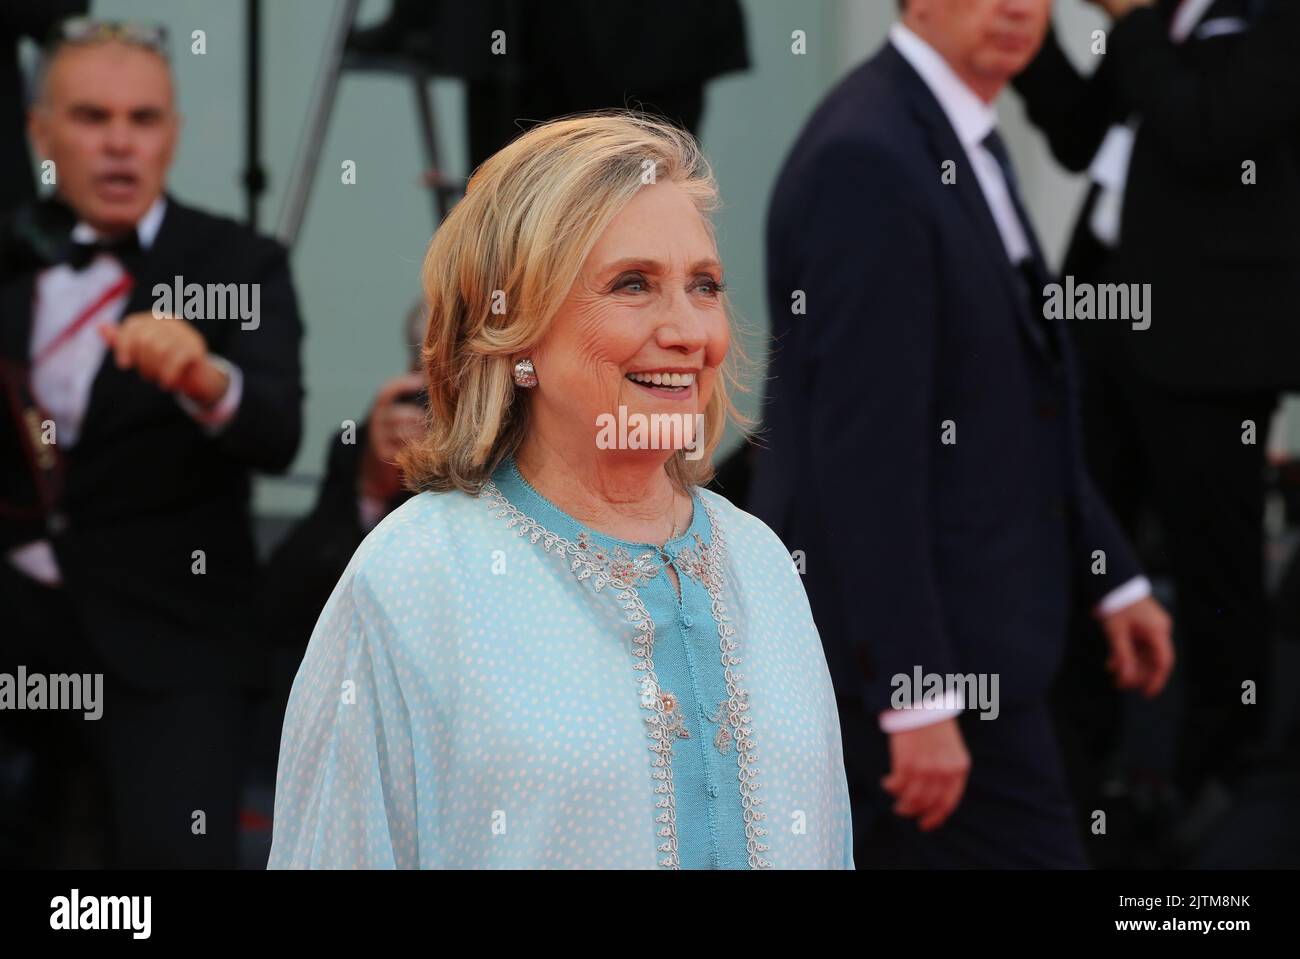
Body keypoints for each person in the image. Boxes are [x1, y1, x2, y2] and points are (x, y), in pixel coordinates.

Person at [269, 112, 853, 869]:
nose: (688, 330)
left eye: (703, 285)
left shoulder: (764, 562)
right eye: (633, 284)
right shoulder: (415, 575)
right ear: (516, 330)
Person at [749, 0, 1173, 868]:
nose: (1020, 7)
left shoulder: (951, 132)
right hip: (918, 672)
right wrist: (917, 696)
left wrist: (1113, 573)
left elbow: (1009, 400)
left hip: (976, 649)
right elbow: (863, 452)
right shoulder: (870, 155)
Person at [0, 20, 303, 867]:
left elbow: (278, 432)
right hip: (17, 617)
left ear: (171, 131)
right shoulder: (12, 253)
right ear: (41, 133)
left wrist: (207, 380)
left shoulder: (241, 262)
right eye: (93, 118)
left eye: (144, 119)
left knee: (177, 852)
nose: (120, 145)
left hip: (169, 628)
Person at [1014, 0, 1300, 814]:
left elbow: (1204, 129)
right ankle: (1078, 770)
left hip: (1210, 341)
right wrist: (1026, 38)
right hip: (1102, 312)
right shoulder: (1163, 20)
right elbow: (1078, 134)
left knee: (1215, 563)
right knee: (1082, 547)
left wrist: (1131, 19)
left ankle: (1220, 784)